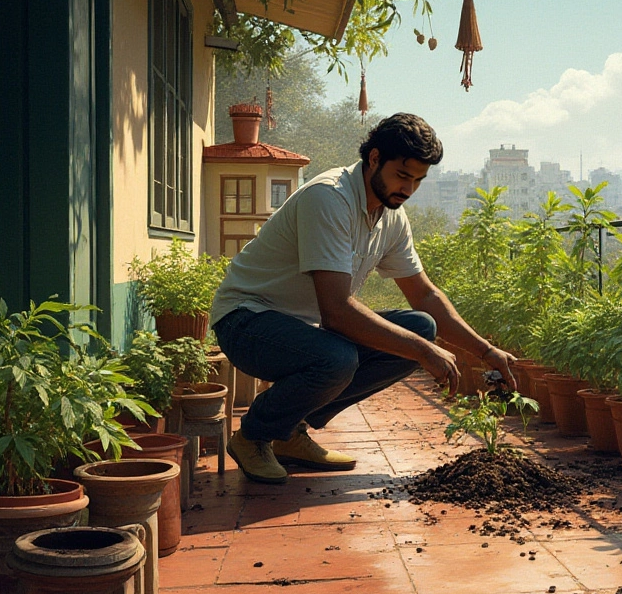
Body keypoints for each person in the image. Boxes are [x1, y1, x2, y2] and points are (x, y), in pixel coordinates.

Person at [210, 112, 517, 483]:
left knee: (421, 326)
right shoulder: (329, 198)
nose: (408, 189)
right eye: (402, 176)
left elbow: (424, 294)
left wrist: (485, 351)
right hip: (246, 322)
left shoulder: (391, 217)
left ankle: (289, 432)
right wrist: (422, 351)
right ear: (374, 158)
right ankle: (254, 436)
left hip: (301, 329)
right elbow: (337, 312)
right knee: (340, 358)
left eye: (418, 180)